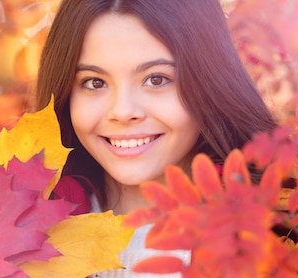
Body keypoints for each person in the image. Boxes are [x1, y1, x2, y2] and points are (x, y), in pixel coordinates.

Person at [34, 0, 277, 277]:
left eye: (157, 79)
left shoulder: (285, 232)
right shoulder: (21, 240)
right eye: (94, 82)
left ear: (210, 82)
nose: (123, 112)